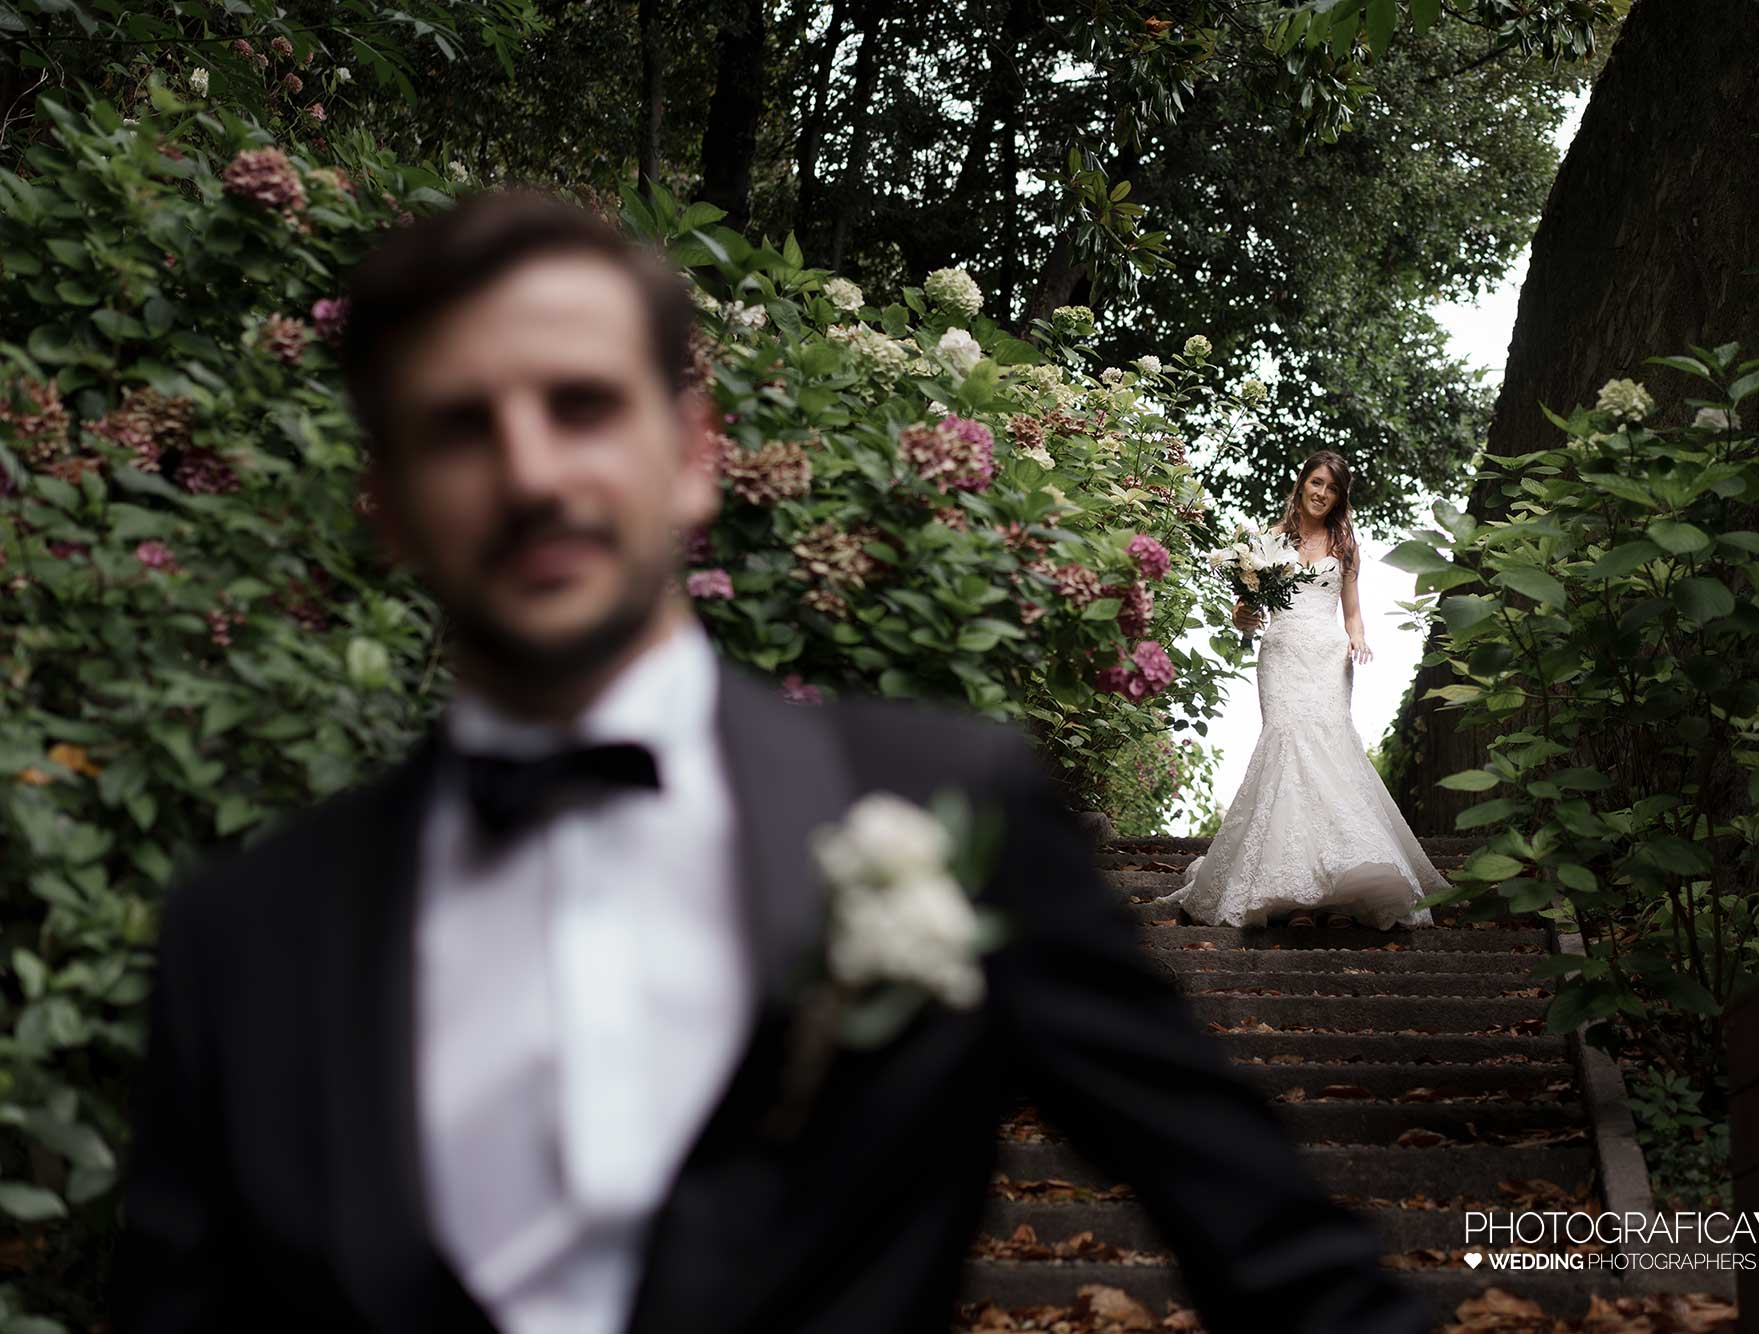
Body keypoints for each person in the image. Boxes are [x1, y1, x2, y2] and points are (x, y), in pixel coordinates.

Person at [113, 194, 1427, 1334]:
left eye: (582, 405)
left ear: (694, 453)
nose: (529, 472)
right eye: (459, 426)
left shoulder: (941, 809)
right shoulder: (243, 939)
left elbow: (1280, 1256)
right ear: (384, 502)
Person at [1162, 451, 1444, 930]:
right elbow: (1244, 607)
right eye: (1316, 482)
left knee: (1331, 751)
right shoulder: (1270, 539)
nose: (1321, 493)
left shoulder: (1346, 545)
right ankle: (1290, 895)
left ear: (1339, 497)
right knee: (1286, 749)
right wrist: (1243, 617)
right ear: (1302, 484)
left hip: (1327, 657)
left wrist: (1358, 637)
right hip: (1281, 652)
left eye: (1331, 488)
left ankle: (1338, 892)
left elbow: (1352, 611)